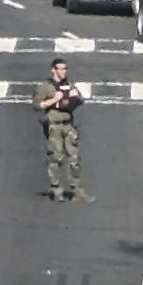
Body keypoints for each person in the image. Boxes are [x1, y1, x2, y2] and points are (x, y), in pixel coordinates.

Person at [32, 58, 94, 203]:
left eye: (65, 68)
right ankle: (56, 189)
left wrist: (75, 97)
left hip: (68, 124)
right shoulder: (45, 87)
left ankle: (76, 189)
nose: (64, 71)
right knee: (56, 156)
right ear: (53, 70)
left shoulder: (69, 85)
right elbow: (36, 105)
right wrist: (54, 100)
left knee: (74, 157)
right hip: (54, 124)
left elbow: (80, 100)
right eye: (60, 68)